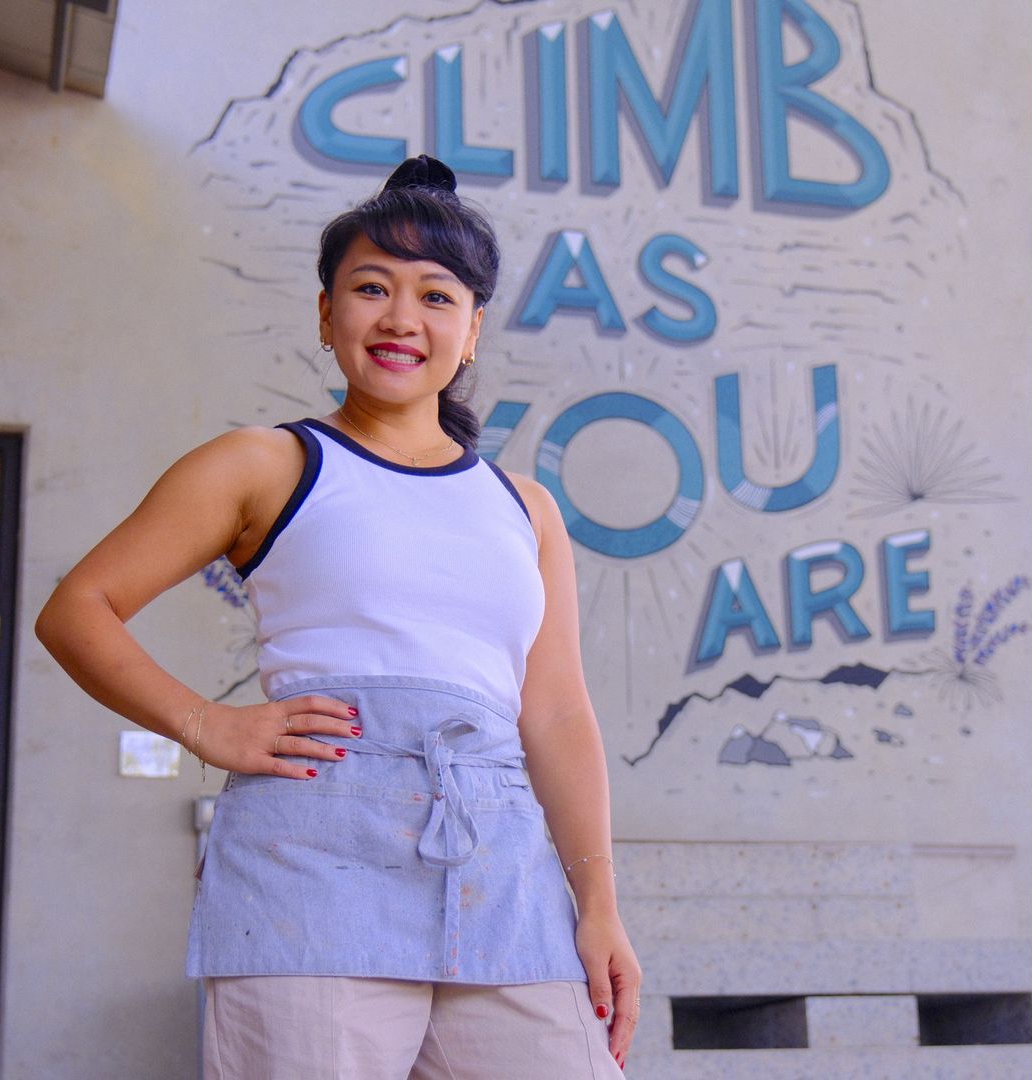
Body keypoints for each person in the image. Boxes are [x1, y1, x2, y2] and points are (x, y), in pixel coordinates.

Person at [34, 154, 641, 1078]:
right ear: (327, 315)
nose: (402, 319)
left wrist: (598, 906)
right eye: (371, 288)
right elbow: (78, 610)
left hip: (503, 875)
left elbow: (555, 715)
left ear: (472, 330)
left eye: (437, 297)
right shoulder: (263, 464)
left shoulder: (526, 507)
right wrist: (208, 724)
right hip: (310, 869)